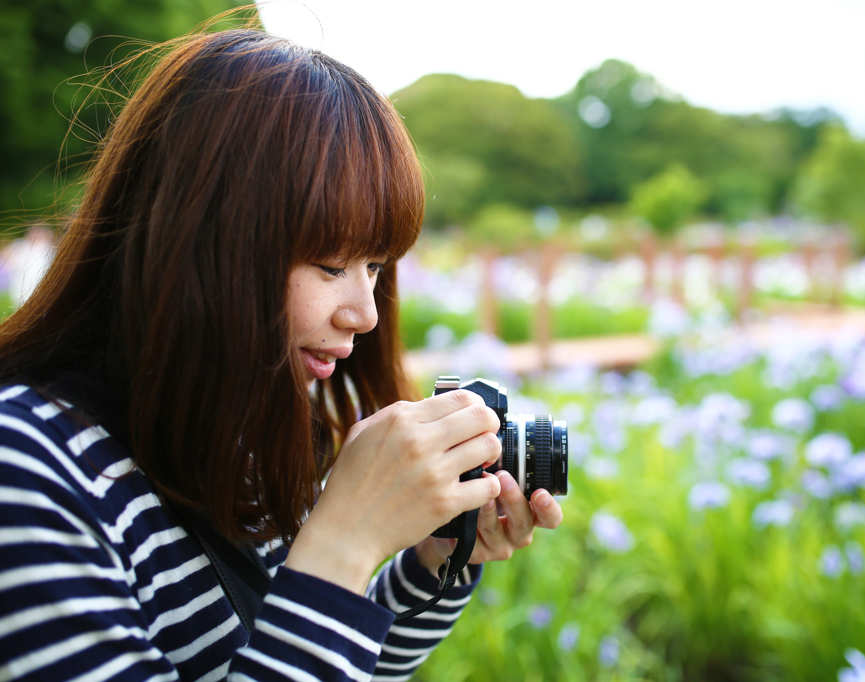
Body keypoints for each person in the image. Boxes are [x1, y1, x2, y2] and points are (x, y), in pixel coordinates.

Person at [0, 25, 562, 682]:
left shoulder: (227, 442)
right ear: (199, 240)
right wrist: (343, 541)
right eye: (329, 263)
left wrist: (434, 565)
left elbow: (303, 659)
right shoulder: (26, 469)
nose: (366, 313)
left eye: (375, 266)